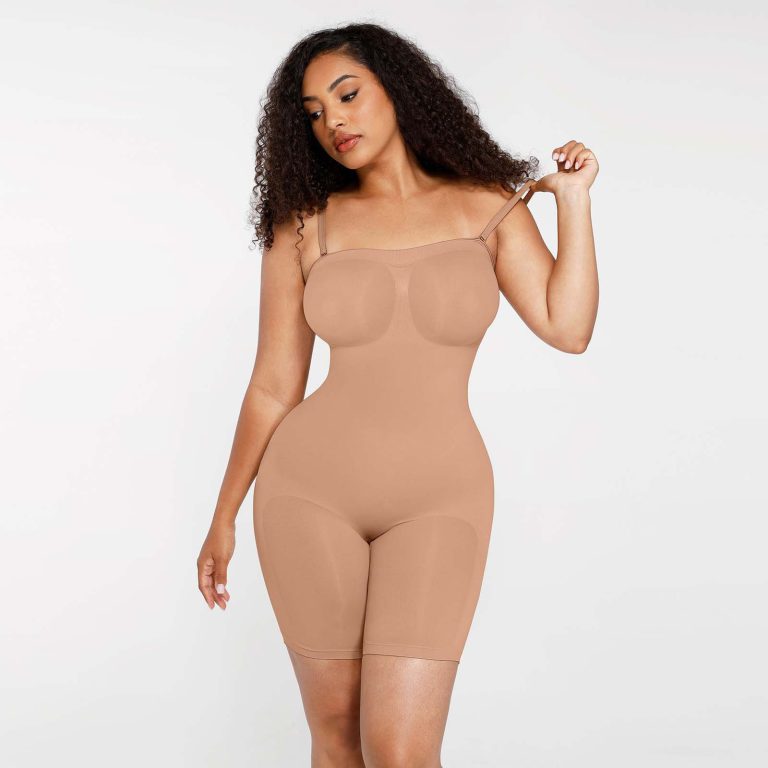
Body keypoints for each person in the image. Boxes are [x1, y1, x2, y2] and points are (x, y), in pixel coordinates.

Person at [197, 21, 598, 767]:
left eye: (347, 95)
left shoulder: (489, 206)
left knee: (403, 749)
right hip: (308, 492)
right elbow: (274, 384)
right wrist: (222, 516)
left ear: (399, 89)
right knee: (336, 735)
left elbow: (567, 327)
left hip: (441, 497)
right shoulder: (304, 226)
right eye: (315, 113)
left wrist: (572, 203)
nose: (334, 121)